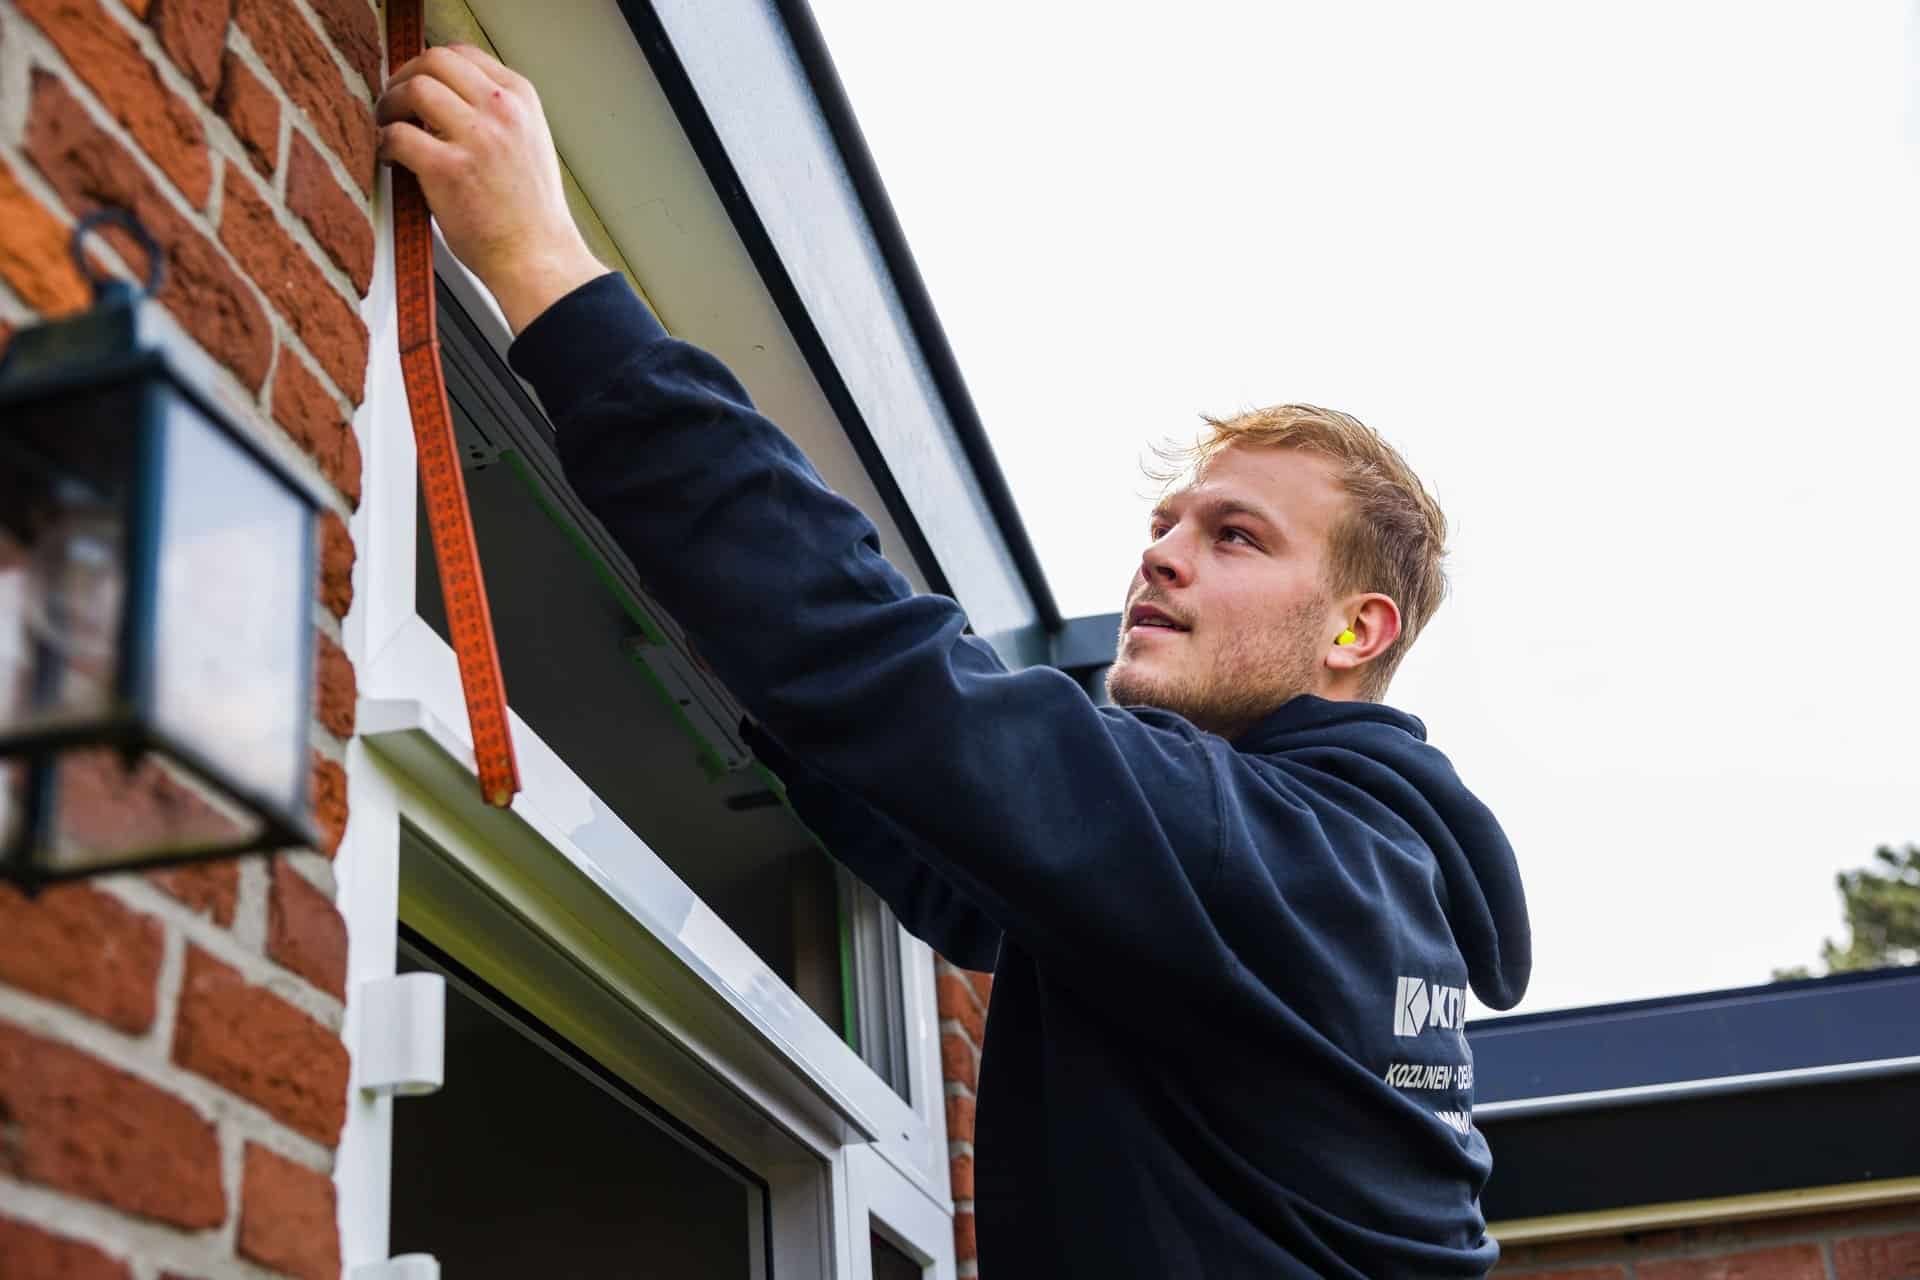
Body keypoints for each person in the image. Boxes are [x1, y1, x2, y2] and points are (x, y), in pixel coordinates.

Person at [377, 44, 1531, 1279]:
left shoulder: (1270, 848)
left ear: (1357, 630)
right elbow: (966, 883)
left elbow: (894, 675)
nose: (1161, 559)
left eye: (1234, 535)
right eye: (1163, 527)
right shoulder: (1347, 884)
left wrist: (543, 266)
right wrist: (764, 683)